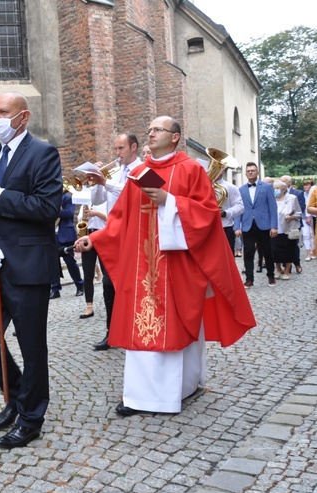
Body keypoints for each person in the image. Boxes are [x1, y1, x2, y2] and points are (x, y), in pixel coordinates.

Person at [75, 116, 256, 416]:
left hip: (176, 263)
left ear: (175, 137)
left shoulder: (190, 170)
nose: (151, 133)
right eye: (149, 130)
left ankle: (181, 388)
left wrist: (169, 201)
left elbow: (208, 213)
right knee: (140, 324)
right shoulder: (140, 173)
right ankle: (140, 396)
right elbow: (121, 216)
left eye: (158, 129)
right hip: (142, 265)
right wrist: (96, 240)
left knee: (178, 323)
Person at [0, 91, 62, 448]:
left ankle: (32, 416)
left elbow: (47, 207)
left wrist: (2, 196)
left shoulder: (43, 153)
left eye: (3, 112)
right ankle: (17, 395)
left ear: (23, 117)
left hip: (29, 264)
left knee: (32, 344)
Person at [86, 133, 143, 351]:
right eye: (116, 148)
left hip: (135, 233)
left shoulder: (143, 169)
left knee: (132, 284)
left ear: (133, 147)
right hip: (114, 233)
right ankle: (112, 333)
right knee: (109, 285)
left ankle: (136, 330)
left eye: (121, 148)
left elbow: (133, 191)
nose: (117, 153)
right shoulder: (117, 171)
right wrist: (97, 182)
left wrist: (106, 182)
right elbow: (98, 200)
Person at [234, 162, 278, 288]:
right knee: (248, 252)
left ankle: (270, 275)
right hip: (248, 225)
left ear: (258, 172)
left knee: (267, 251)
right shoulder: (241, 190)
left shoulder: (267, 187)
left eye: (253, 170)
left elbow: (273, 208)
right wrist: (237, 227)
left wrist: (274, 226)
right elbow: (239, 209)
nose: (251, 172)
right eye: (248, 171)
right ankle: (249, 279)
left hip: (264, 224)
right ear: (246, 173)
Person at [76, 200, 108, 320]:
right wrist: (83, 217)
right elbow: (80, 221)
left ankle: (110, 302)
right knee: (87, 274)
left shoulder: (105, 200)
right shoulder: (85, 202)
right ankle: (89, 306)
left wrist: (96, 213)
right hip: (88, 236)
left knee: (107, 273)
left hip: (103, 236)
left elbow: (111, 219)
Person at [50, 191, 84, 299]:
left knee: (70, 262)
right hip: (52, 235)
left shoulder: (67, 197)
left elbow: (69, 213)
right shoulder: (50, 196)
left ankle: (79, 285)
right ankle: (55, 289)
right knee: (53, 263)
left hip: (65, 234)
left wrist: (52, 210)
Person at [210, 161, 244, 255]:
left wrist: (225, 213)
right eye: (213, 168)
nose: (216, 171)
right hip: (206, 228)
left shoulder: (231, 187)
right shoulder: (201, 185)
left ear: (223, 171)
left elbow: (240, 207)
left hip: (225, 227)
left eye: (220, 169)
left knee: (227, 258)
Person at [271, 180, 301, 280]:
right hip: (275, 229)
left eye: (277, 188)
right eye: (274, 188)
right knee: (274, 250)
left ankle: (287, 271)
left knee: (289, 250)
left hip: (288, 229)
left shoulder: (292, 198)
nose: (275, 190)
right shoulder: (272, 199)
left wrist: (291, 217)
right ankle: (278, 269)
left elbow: (299, 213)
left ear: (284, 190)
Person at [280, 175, 306, 273]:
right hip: (282, 224)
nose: (281, 183)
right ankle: (286, 266)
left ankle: (297, 264)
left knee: (293, 245)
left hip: (294, 223)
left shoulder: (298, 193)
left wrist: (290, 215)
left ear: (289, 182)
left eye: (283, 181)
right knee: (282, 244)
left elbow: (301, 208)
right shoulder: (278, 194)